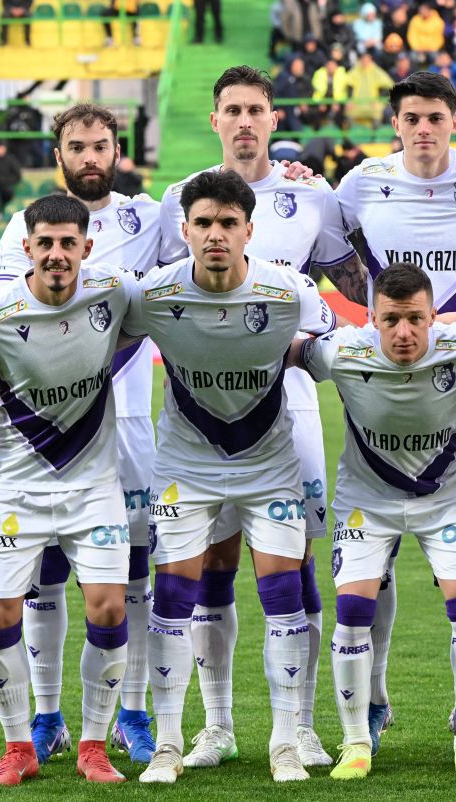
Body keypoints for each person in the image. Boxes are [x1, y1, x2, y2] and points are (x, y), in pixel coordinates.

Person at [157, 65, 367, 772]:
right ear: (215, 119)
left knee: (292, 558)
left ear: (274, 119)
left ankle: (299, 726)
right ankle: (215, 726)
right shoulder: (179, 199)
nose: (244, 121)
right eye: (233, 110)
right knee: (212, 559)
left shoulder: (312, 196)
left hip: (289, 401)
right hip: (202, 408)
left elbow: (358, 285)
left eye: (256, 110)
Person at [129, 170, 339, 784]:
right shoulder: (154, 294)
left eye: (227, 223)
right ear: (184, 230)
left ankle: (285, 741)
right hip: (185, 469)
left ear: (249, 230)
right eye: (203, 223)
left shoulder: (289, 290)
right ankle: (171, 743)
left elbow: (334, 349)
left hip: (269, 466)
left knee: (283, 594)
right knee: (173, 597)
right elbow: (99, 340)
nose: (215, 234)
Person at [335, 71, 456, 757]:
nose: (424, 129)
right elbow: (338, 255)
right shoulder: (362, 182)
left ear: (454, 120)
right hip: (390, 375)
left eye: (436, 117)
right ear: (395, 124)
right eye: (411, 118)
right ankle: (374, 699)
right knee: (372, 558)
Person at [0, 103, 162, 768]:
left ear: (118, 150)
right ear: (58, 153)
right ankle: (47, 717)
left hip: (132, 424)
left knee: (132, 575)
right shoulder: (25, 226)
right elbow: (16, 321)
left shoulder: (150, 218)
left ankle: (134, 714)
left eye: (101, 146)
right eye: (78, 146)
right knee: (45, 574)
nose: (90, 157)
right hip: (48, 432)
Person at [292, 263, 456, 781]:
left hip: (447, 498)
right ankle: (355, 744)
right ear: (373, 319)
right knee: (352, 611)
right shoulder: (342, 351)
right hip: (367, 501)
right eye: (391, 320)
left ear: (433, 315)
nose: (404, 332)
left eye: (416, 318)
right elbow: (288, 351)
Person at [0, 194, 137, 785]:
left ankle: (93, 747)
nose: (57, 254)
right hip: (13, 490)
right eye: (46, 243)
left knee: (109, 607)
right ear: (27, 247)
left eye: (68, 243)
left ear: (86, 247)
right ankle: (18, 748)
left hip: (93, 485)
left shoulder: (113, 293)